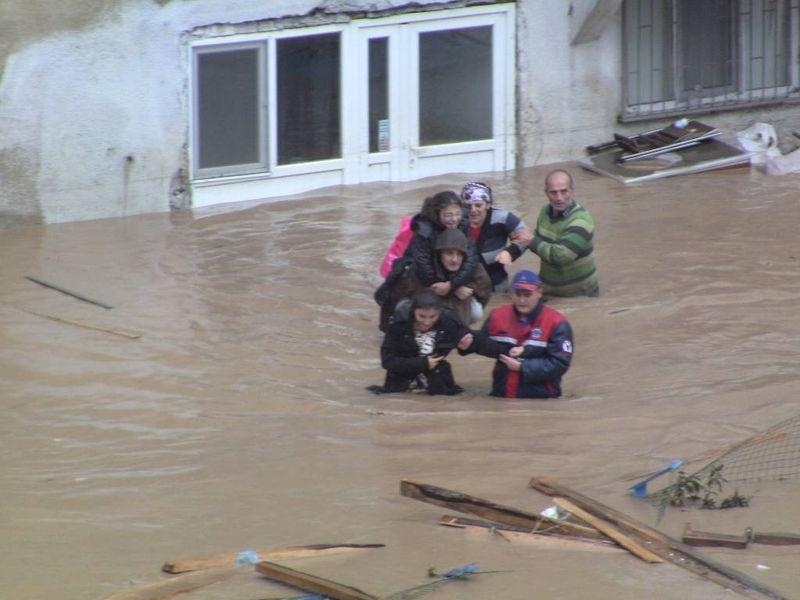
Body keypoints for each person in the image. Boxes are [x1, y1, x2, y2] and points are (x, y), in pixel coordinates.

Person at [375, 191, 480, 331]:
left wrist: (453, 284)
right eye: (448, 215)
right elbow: (424, 267)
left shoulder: (463, 224)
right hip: (423, 280)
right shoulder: (425, 230)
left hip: (451, 280)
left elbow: (471, 259)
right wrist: (451, 287)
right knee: (406, 310)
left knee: (475, 312)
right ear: (437, 214)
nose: (454, 219)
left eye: (457, 214)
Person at [461, 269, 573, 399]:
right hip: (501, 396)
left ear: (539, 292)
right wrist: (467, 345)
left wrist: (523, 367)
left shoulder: (556, 322)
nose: (522, 300)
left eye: (527, 295)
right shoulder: (497, 316)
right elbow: (484, 344)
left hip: (541, 398)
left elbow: (560, 363)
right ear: (511, 294)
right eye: (518, 294)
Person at [367, 289, 473, 395]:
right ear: (413, 311)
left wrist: (465, 346)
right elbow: (388, 361)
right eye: (422, 316)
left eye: (433, 317)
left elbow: (474, 341)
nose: (427, 322)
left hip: (439, 382)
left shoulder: (449, 320)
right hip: (400, 383)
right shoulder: (398, 324)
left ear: (439, 313)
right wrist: (422, 363)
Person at [517, 170, 599, 297]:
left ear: (572, 191)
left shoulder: (581, 220)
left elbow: (561, 256)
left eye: (564, 191)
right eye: (553, 192)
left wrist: (531, 241)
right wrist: (511, 251)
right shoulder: (545, 212)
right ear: (546, 193)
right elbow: (536, 239)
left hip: (579, 296)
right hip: (548, 292)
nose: (559, 198)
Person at [389, 228, 492, 326]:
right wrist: (450, 290)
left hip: (456, 311)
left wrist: (465, 290)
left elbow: (485, 294)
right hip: (424, 309)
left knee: (476, 311)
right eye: (449, 253)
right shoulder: (423, 268)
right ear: (439, 254)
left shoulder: (475, 269)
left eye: (459, 254)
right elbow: (401, 294)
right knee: (402, 307)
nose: (455, 260)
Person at [460, 182, 529, 292]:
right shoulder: (457, 221)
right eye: (468, 206)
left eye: (478, 205)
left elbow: (527, 237)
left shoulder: (503, 218)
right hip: (465, 284)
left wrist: (510, 252)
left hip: (497, 281)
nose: (473, 210)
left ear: (488, 205)